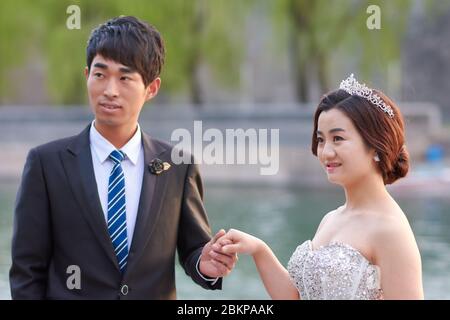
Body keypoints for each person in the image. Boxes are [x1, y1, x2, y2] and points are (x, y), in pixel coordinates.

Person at [9, 16, 236, 299]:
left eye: (125, 77)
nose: (109, 90)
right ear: (87, 76)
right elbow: (26, 272)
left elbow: (193, 251)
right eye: (100, 74)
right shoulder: (46, 164)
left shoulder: (178, 165)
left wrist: (207, 264)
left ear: (151, 88)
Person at [214, 74, 424, 300]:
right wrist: (258, 249)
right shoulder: (331, 218)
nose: (325, 152)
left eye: (338, 139)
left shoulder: (390, 230)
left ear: (375, 146)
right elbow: (297, 296)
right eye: (321, 139)